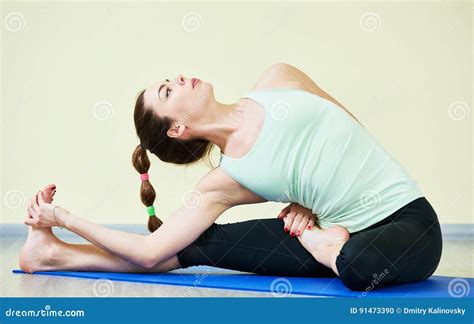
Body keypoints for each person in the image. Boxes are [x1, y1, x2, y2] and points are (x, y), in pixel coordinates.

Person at [20, 63, 442, 292]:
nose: (180, 78)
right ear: (177, 129)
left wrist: (308, 204)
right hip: (339, 234)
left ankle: (326, 246)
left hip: (408, 222)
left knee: (357, 263)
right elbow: (151, 252)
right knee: (196, 246)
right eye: (168, 91)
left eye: (171, 78)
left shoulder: (279, 79)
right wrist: (64, 218)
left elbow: (348, 126)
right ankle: (53, 254)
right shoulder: (225, 181)